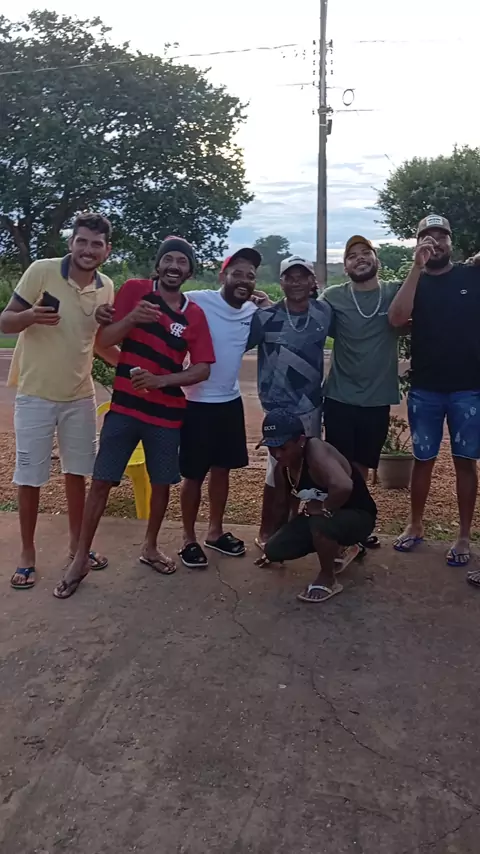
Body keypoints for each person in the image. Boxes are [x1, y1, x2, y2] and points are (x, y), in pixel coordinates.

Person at [52, 236, 215, 599]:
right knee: (101, 481)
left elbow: (202, 368)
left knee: (161, 484)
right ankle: (80, 558)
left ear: (189, 270)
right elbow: (103, 340)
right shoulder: (135, 291)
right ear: (158, 265)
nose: (174, 266)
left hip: (166, 414)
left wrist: (162, 380)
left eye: (182, 261)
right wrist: (131, 318)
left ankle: (150, 547)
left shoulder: (194, 314)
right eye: (168, 259)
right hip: (124, 409)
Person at [0, 212, 118, 590]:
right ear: (71, 243)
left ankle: (76, 548)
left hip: (80, 396)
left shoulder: (107, 287)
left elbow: (99, 343)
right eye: (82, 241)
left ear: (106, 250)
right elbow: (6, 321)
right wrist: (30, 315)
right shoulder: (42, 270)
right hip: (35, 393)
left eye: (96, 244)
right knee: (30, 477)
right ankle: (27, 554)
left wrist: (134, 369)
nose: (88, 249)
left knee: (77, 473)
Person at [388, 215, 480, 570]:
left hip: (468, 389)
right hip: (425, 388)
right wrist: (416, 268)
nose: (435, 242)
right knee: (423, 459)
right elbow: (397, 319)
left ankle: (464, 535)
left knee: (465, 462)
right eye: (427, 237)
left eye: (442, 236)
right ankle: (415, 524)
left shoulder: (471, 275)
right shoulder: (415, 282)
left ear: (451, 242)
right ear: (418, 244)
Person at [179, 247, 269, 569]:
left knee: (222, 471)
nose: (244, 280)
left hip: (229, 402)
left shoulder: (252, 311)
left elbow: (275, 319)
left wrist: (266, 305)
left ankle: (214, 532)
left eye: (250, 276)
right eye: (237, 273)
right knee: (193, 475)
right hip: (194, 402)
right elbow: (165, 303)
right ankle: (188, 539)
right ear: (223, 276)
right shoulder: (198, 300)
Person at [321, 235, 402, 550]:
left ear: (376, 259)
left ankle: (356, 524)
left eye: (365, 252)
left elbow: (431, 290)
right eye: (352, 255)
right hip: (340, 397)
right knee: (340, 467)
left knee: (363, 466)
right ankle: (340, 525)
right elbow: (304, 316)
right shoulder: (333, 296)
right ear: (345, 267)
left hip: (377, 399)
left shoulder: (394, 291)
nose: (359, 258)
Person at [246, 255, 331, 549]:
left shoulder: (324, 312)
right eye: (289, 277)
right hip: (278, 408)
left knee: (305, 468)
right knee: (276, 470)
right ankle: (267, 530)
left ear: (312, 281)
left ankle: (292, 528)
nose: (296, 283)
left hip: (310, 406)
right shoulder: (264, 317)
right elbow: (235, 343)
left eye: (302, 277)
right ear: (281, 282)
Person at [256, 410, 377, 603]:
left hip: (359, 515)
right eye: (271, 448)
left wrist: (324, 507)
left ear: (300, 440)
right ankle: (345, 547)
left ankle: (328, 578)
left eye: (283, 447)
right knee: (275, 549)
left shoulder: (316, 451)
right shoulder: (282, 468)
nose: (277, 454)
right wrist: (275, 543)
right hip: (326, 518)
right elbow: (281, 506)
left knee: (319, 521)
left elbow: (344, 486)